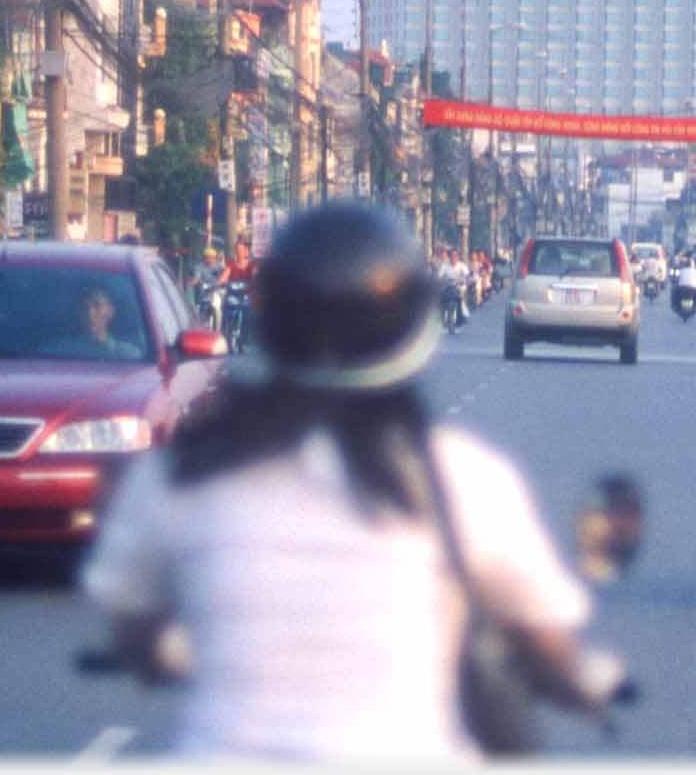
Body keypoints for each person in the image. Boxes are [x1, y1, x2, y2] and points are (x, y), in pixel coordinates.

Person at [81, 203, 623, 759]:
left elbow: (132, 625)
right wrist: (585, 679)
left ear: (272, 318)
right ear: (411, 325)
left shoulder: (183, 470)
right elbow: (547, 647)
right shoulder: (459, 477)